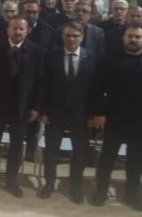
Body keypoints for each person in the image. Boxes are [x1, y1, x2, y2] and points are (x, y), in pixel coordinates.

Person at [91, 27, 142, 211]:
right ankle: (100, 191)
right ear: (123, 38)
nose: (134, 39)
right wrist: (99, 113)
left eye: (138, 37)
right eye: (130, 36)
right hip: (114, 116)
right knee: (108, 156)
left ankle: (132, 195)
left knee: (135, 159)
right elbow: (98, 88)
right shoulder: (109, 59)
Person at [0, 16, 42, 197]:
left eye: (21, 29)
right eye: (14, 28)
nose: (17, 32)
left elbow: (40, 81)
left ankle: (11, 181)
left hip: (22, 107)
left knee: (16, 145)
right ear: (8, 30)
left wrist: (36, 107)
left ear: (27, 31)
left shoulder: (35, 50)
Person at [39, 22, 101, 203]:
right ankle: (49, 184)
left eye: (75, 36)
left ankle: (76, 187)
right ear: (62, 36)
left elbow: (96, 88)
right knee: (51, 150)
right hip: (55, 111)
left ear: (82, 37)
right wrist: (44, 110)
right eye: (68, 35)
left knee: (79, 152)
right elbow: (44, 85)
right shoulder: (51, 56)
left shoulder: (92, 57)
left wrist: (94, 114)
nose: (71, 39)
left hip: (81, 114)